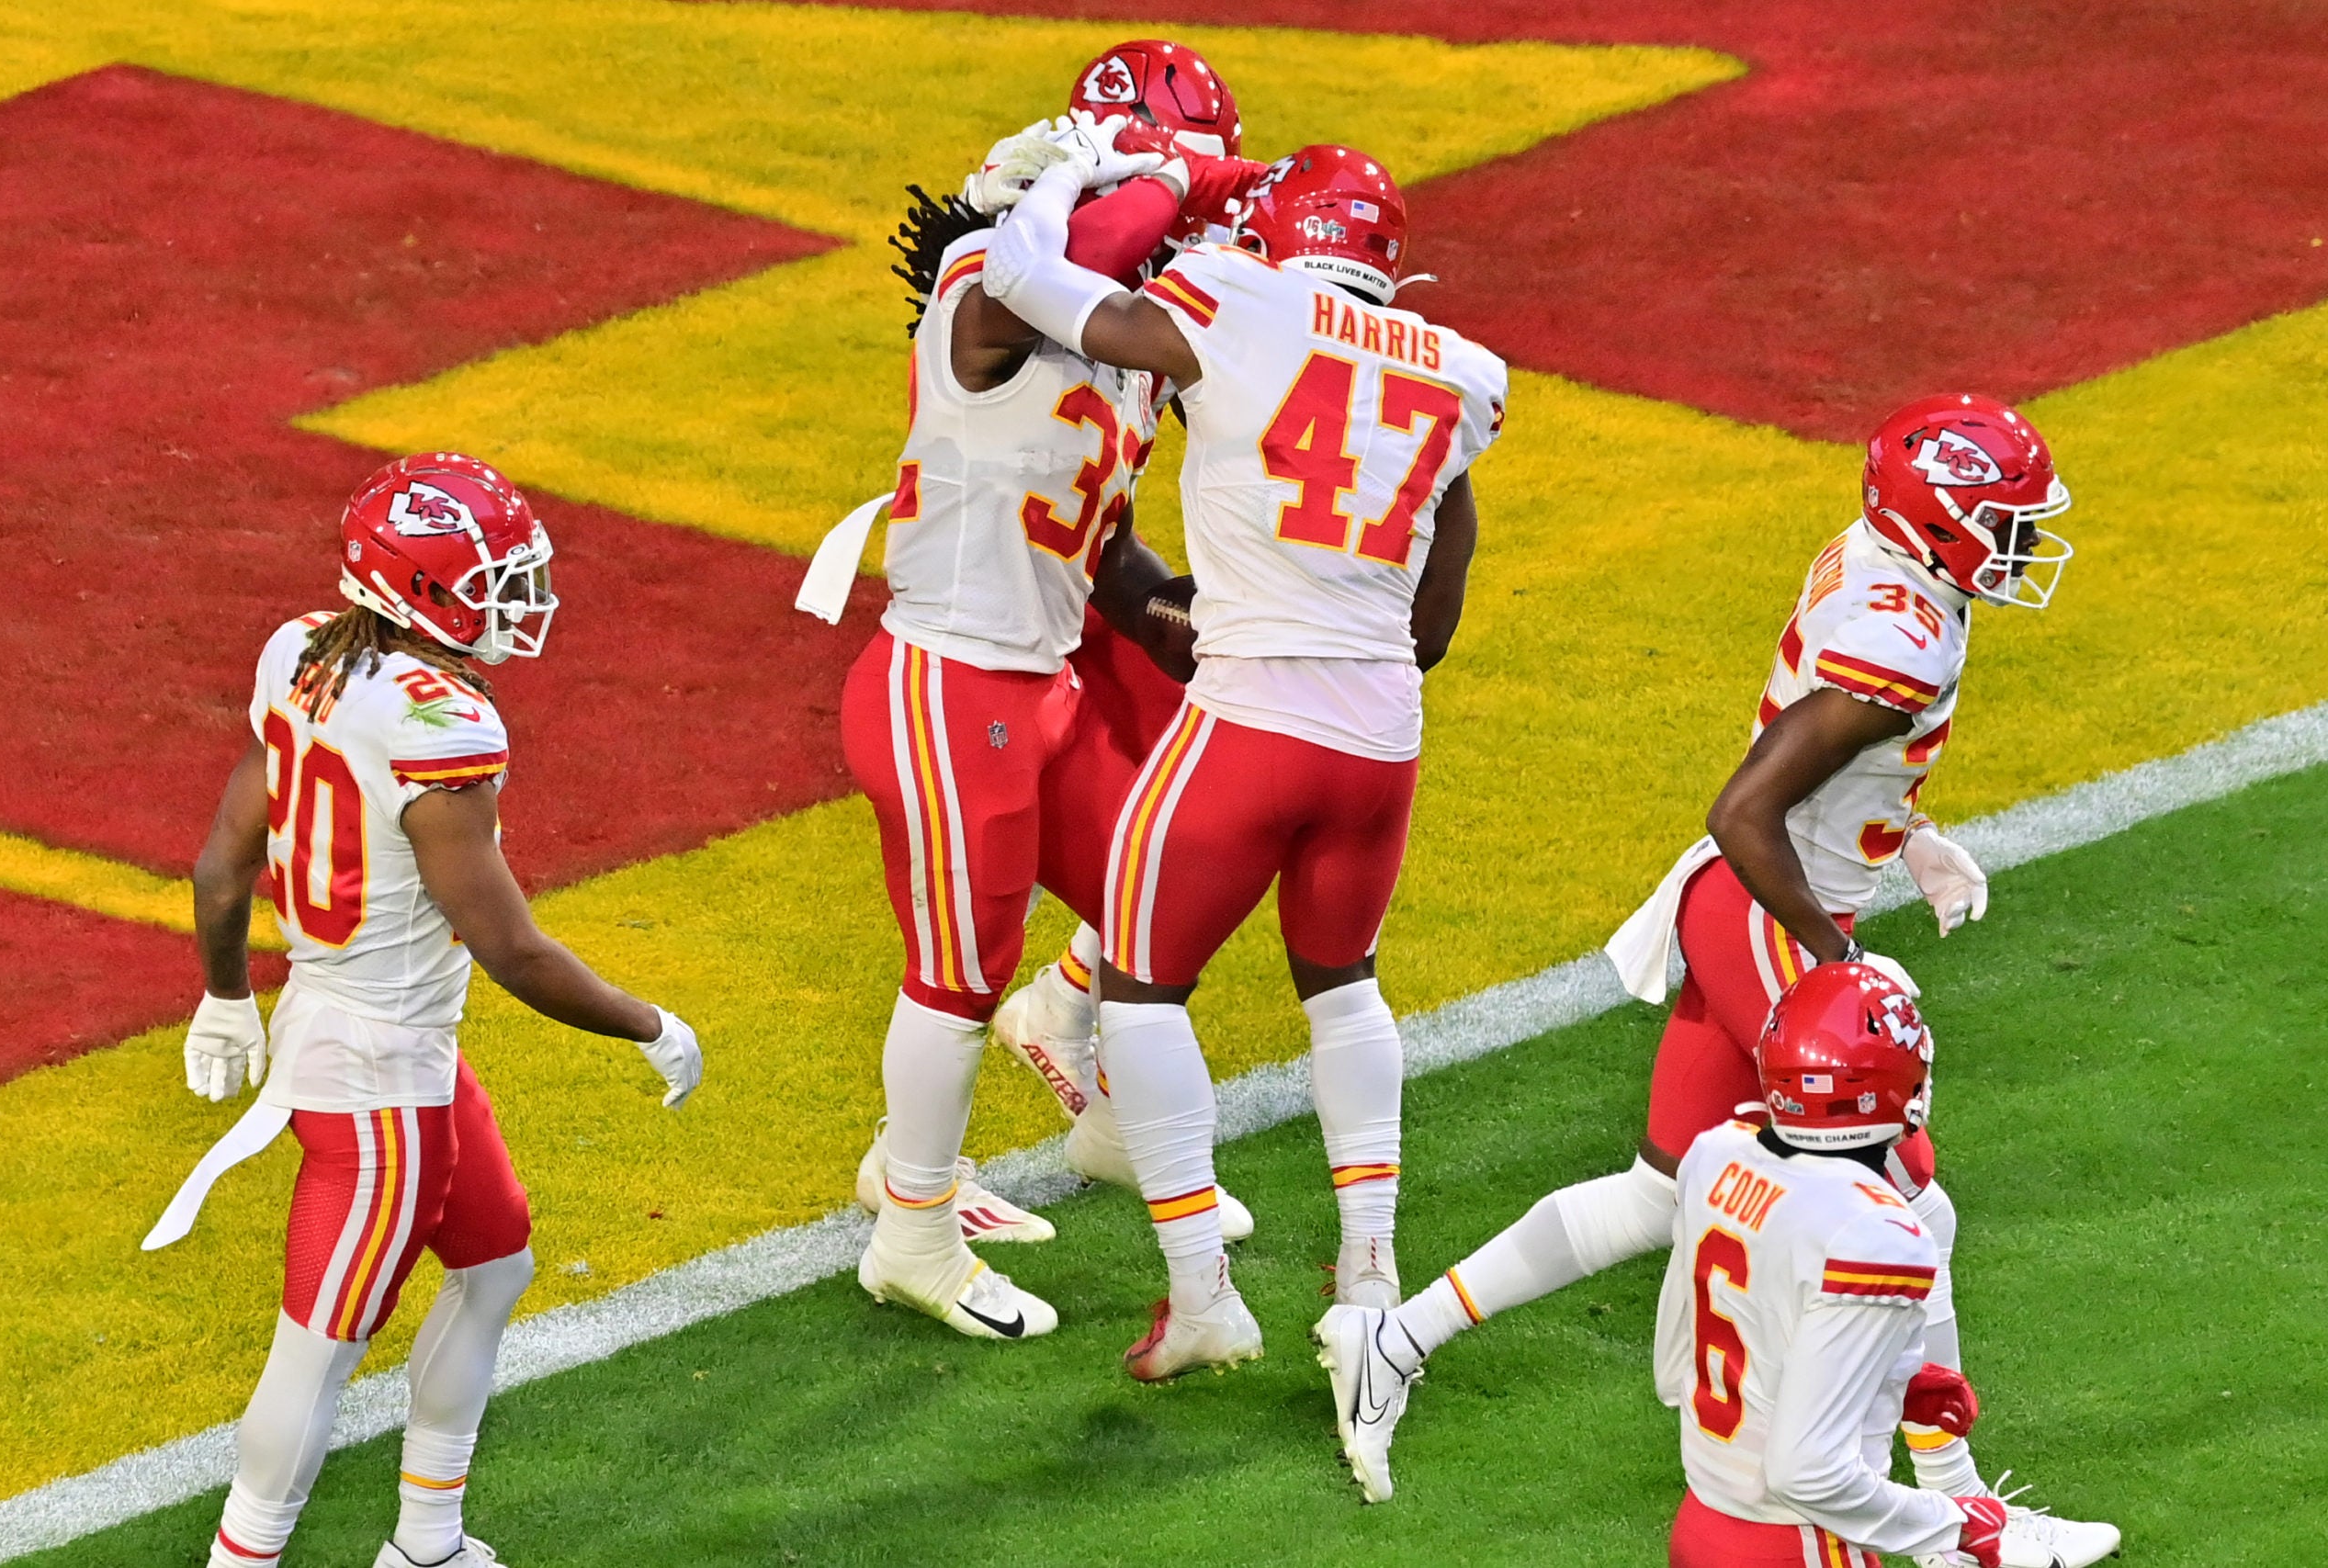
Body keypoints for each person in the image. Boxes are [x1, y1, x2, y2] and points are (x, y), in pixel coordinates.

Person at [1313, 396, 2117, 1561]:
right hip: (1760, 904)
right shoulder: (1902, 633)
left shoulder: (1891, 574)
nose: (2019, 547)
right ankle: (1960, 1509)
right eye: (2001, 523)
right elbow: (1745, 809)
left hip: (1744, 901)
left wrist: (1908, 829)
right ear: (1937, 522)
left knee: (1656, 1193)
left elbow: (1824, 762)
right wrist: (1838, 968)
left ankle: (1393, 1337)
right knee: (1906, 1188)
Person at [983, 140, 1509, 1379]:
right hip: (1381, 736)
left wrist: (1061, 179)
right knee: (1345, 983)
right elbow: (1435, 616)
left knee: (1143, 988)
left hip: (1250, 718)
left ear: (1286, 231)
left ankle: (1202, 1292)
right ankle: (1371, 1271)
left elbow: (1021, 279)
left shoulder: (1234, 293)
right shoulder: (1469, 374)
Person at [177, 454, 701, 1568]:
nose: (519, 603)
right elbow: (511, 947)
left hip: (369, 1037)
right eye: (492, 582)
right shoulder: (443, 724)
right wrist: (645, 1022)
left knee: (498, 1262)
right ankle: (243, 1558)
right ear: (416, 591)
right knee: (314, 1354)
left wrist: (228, 995)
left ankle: (427, 1542)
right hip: (380, 1083)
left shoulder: (302, 652)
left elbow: (224, 869)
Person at [840, 43, 1266, 1339]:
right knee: (958, 977)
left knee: (1171, 881)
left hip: (1038, 677)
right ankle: (910, 1223)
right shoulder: (986, 285)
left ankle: (1101, 1108)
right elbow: (1117, 225)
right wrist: (1178, 174)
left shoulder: (1102, 328)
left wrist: (1164, 611)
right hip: (948, 675)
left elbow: (1103, 535)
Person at [1659, 964, 2013, 1566]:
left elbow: (1678, 1368)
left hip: (1700, 1525)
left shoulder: (1718, 1152)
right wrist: (1953, 1524)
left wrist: (1885, 1384)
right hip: (1799, 1545)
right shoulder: (1878, 1231)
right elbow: (1807, 1474)